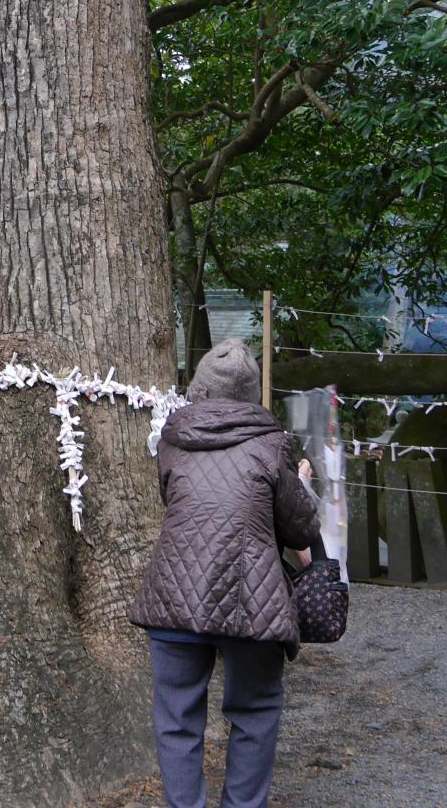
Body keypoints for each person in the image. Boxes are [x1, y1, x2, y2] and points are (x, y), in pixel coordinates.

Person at [128, 338, 319, 808]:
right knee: (254, 710)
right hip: (251, 599)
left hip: (172, 594)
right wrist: (305, 487)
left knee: (177, 717)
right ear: (253, 394)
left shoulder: (171, 442)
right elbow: (300, 529)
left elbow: (175, 501)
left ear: (199, 388)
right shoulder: (272, 445)